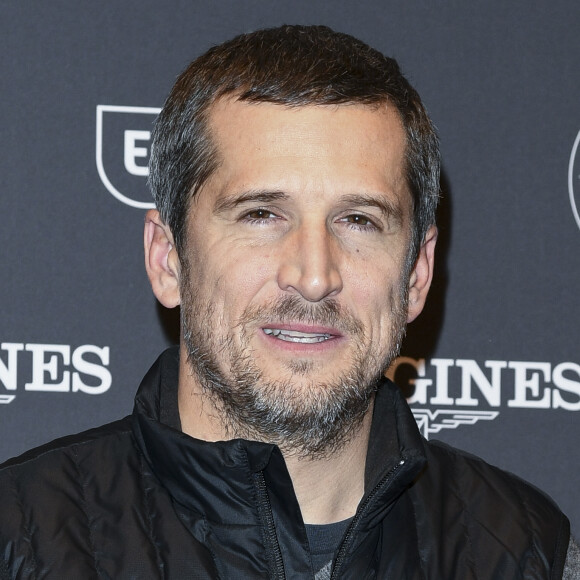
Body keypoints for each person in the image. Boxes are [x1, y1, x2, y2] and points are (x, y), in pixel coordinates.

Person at [0, 24, 577, 579]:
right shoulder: (21, 536)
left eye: (358, 220)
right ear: (167, 258)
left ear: (418, 273)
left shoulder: (529, 554)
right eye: (261, 215)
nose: (313, 276)